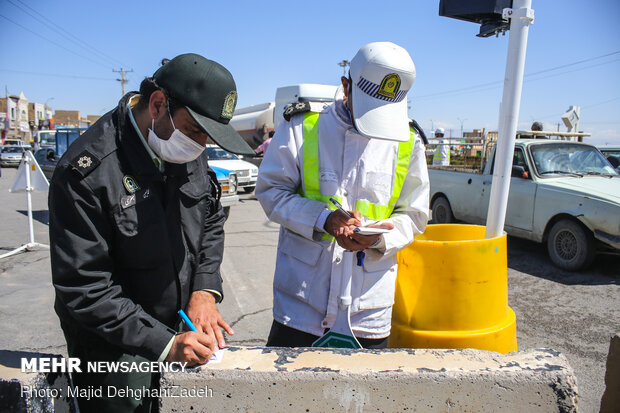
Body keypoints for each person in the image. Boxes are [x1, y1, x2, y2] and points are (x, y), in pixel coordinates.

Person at [49, 53, 255, 412]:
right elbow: (84, 288)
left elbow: (209, 219)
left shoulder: (185, 142)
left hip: (181, 333)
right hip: (115, 353)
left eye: (208, 136)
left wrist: (205, 290)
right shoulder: (87, 173)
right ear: (158, 104)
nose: (201, 145)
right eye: (195, 131)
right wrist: (164, 343)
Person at [255, 42, 429, 349]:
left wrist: (377, 238)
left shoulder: (408, 140)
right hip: (300, 307)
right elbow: (271, 191)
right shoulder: (303, 126)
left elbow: (414, 215)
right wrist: (323, 219)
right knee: (287, 394)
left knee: (362, 396)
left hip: (368, 310)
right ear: (345, 86)